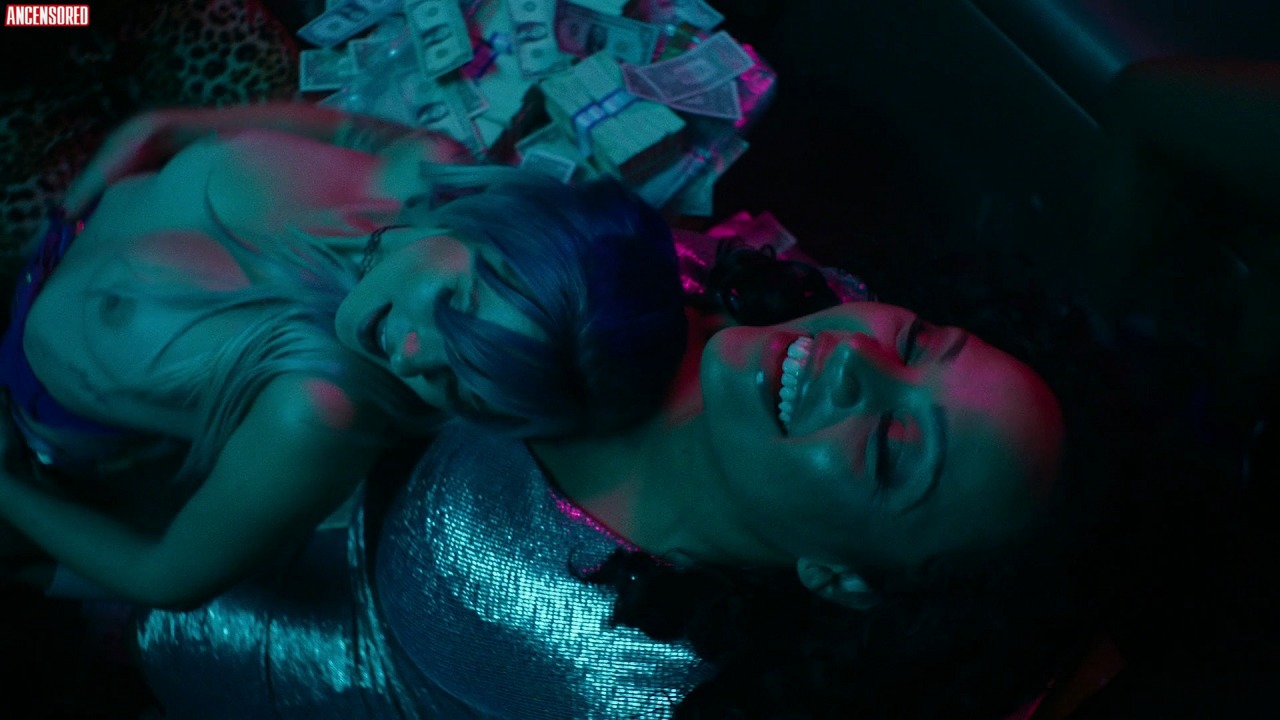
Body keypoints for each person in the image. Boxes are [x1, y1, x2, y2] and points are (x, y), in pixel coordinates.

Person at [129, 241, 1107, 720]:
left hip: (238, 620)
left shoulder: (603, 677)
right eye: (920, 342)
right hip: (230, 404)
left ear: (841, 578)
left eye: (891, 449)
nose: (857, 358)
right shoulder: (782, 300)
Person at [0, 102, 689, 608]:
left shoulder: (315, 411)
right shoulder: (425, 165)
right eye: (453, 303)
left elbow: (164, 578)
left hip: (32, 412)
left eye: (457, 384)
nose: (410, 355)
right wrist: (154, 131)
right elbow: (328, 132)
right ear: (491, 224)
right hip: (56, 240)